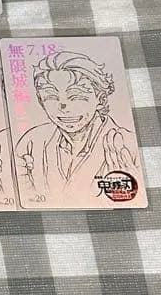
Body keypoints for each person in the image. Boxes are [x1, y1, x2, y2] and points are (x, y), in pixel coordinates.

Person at [14, 51, 139, 194]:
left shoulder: (128, 145)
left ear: (101, 99)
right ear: (41, 101)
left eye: (75, 95)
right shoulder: (31, 142)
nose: (63, 106)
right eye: (51, 96)